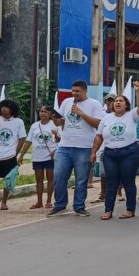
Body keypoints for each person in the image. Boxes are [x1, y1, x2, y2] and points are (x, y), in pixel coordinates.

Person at [91, 81, 139, 220]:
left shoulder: (132, 115)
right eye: (115, 101)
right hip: (110, 154)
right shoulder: (106, 119)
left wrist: (138, 91)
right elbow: (99, 136)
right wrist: (93, 152)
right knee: (111, 182)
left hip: (129, 153)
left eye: (121, 101)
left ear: (126, 105)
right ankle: (108, 210)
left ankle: (130, 209)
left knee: (128, 182)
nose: (117, 103)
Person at [50, 80, 105, 217]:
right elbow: (61, 121)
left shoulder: (94, 104)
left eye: (77, 91)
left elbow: (98, 124)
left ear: (85, 91)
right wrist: (54, 119)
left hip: (84, 147)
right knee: (58, 176)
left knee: (81, 179)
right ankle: (60, 205)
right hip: (65, 146)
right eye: (73, 91)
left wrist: (81, 113)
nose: (74, 94)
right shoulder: (67, 102)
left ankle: (79, 206)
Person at [18, 106, 60, 210]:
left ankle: (49, 201)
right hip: (37, 156)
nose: (43, 113)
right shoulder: (34, 126)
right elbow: (28, 141)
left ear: (50, 114)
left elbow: (60, 140)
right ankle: (39, 201)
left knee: (50, 179)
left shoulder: (55, 125)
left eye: (45, 112)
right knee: (39, 180)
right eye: (41, 111)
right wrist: (21, 155)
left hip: (50, 156)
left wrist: (57, 137)